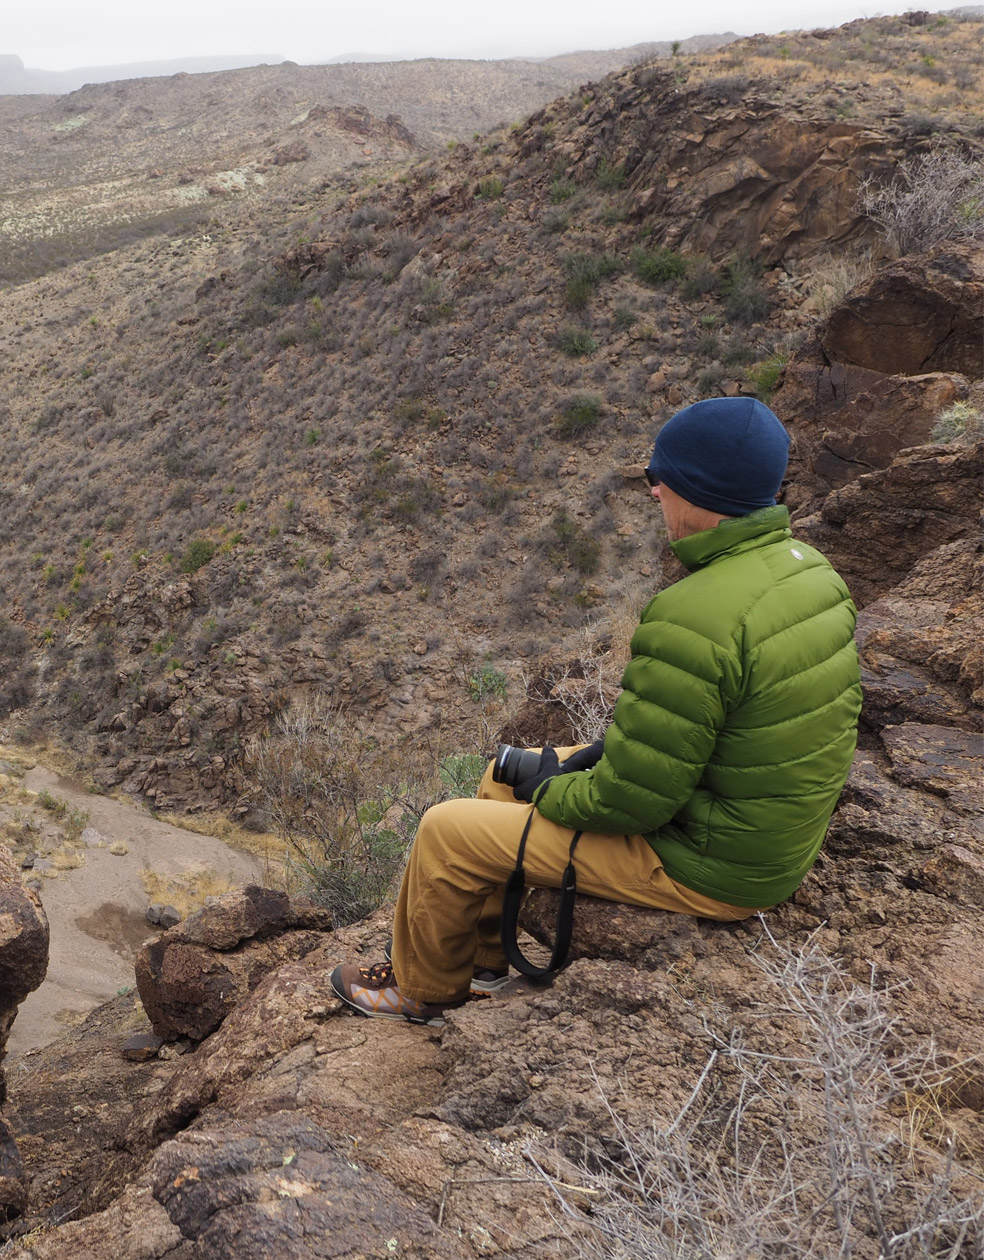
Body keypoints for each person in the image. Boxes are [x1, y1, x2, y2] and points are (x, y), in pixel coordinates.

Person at [330, 396, 863, 1024]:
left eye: (659, 476)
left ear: (700, 490)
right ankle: (479, 964)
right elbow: (711, 732)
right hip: (756, 832)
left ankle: (422, 990)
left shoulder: (696, 614)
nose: (654, 490)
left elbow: (634, 802)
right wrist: (576, 764)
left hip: (709, 865)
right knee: (501, 776)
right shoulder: (812, 573)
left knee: (445, 831)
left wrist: (554, 789)